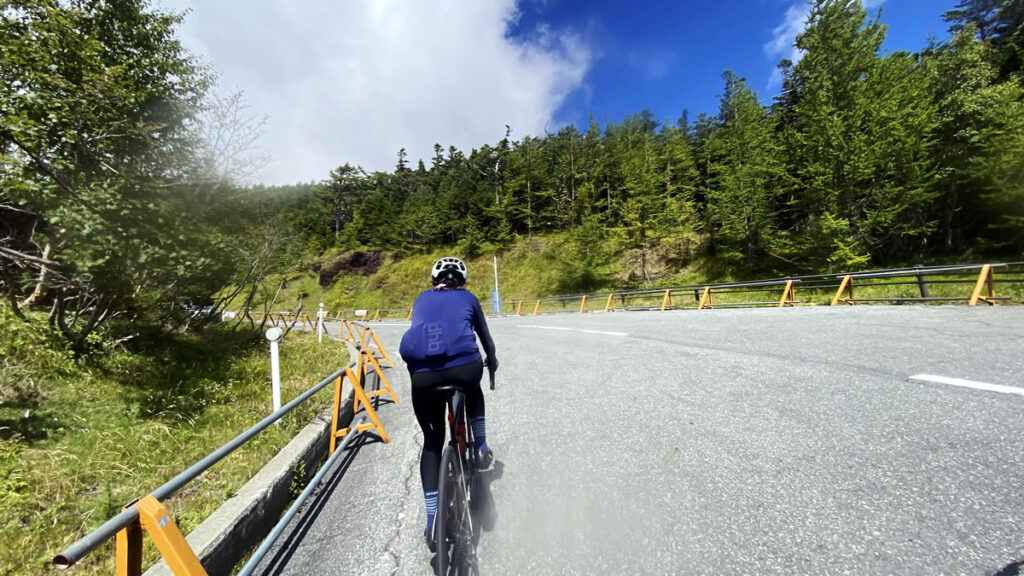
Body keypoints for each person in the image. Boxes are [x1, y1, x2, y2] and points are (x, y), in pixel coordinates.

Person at [399, 256, 498, 551]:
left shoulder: (420, 300)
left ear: (434, 282)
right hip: (465, 369)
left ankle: (432, 521)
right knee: (474, 390)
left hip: (424, 378)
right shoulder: (468, 298)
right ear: (462, 281)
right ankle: (479, 447)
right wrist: (492, 363)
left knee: (432, 441)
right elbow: (486, 340)